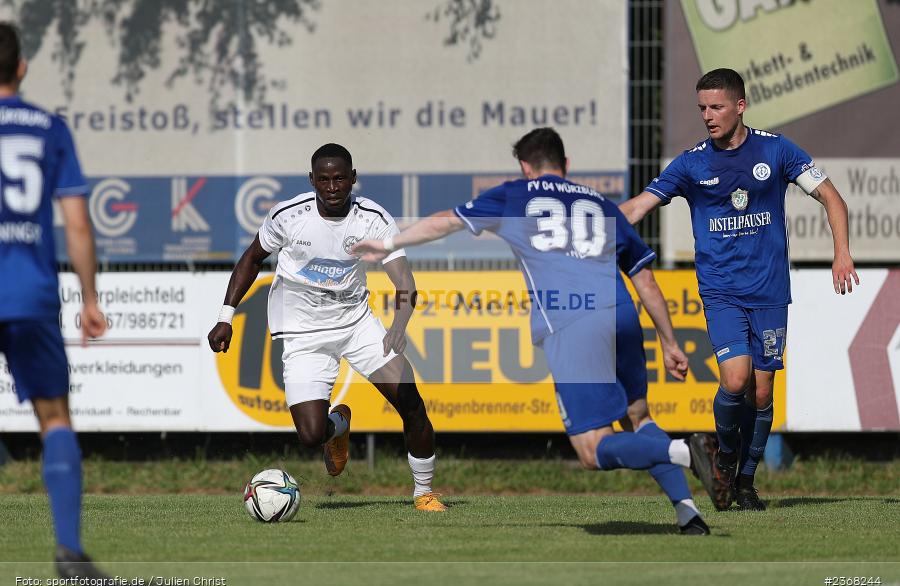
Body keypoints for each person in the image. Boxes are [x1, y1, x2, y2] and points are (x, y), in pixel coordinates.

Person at [352, 127, 729, 533]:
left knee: (591, 450)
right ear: (566, 165)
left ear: (525, 166)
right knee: (639, 417)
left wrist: (390, 243)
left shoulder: (517, 195)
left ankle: (687, 452)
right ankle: (688, 513)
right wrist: (669, 341)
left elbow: (447, 222)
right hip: (622, 316)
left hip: (572, 324)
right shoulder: (602, 204)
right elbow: (646, 280)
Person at [619, 68, 859, 510]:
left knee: (763, 392)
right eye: (702, 109)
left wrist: (841, 251)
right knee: (735, 378)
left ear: (740, 106)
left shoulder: (776, 149)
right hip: (721, 290)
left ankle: (745, 481)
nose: (707, 117)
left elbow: (831, 197)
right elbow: (638, 206)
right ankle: (724, 459)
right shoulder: (692, 163)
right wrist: (597, 227)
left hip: (770, 290)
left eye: (716, 107)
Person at [208, 143, 446, 511]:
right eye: (324, 180)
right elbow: (252, 258)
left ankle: (424, 493)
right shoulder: (289, 216)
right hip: (303, 333)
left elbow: (405, 283)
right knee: (310, 435)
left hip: (357, 324)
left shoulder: (373, 219)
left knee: (410, 402)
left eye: (340, 179)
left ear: (353, 179)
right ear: (312, 181)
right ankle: (337, 427)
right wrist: (226, 317)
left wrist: (399, 324)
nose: (332, 187)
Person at [0, 22, 117, 586]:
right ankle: (70, 552)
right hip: (29, 291)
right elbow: (76, 221)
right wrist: (90, 298)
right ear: (21, 68)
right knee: (54, 419)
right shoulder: (49, 127)